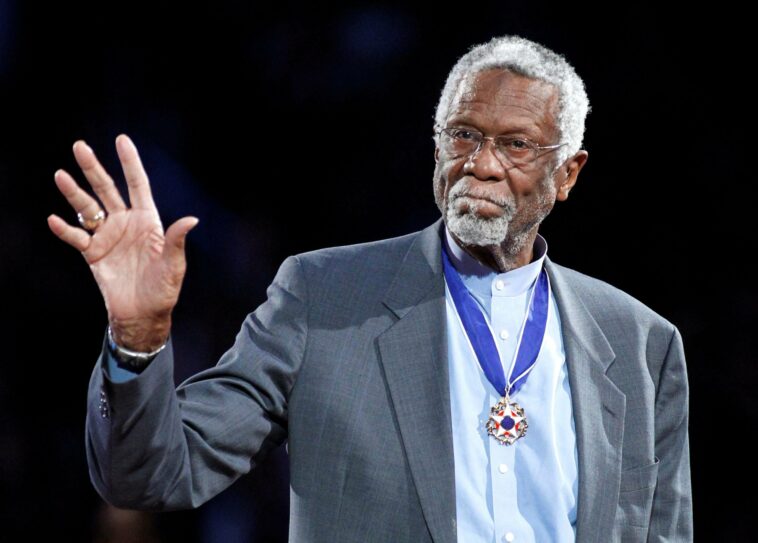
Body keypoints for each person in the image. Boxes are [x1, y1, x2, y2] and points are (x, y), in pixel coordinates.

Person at [48, 35, 692, 542]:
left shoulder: (641, 344)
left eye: (516, 145)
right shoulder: (324, 297)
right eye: (463, 134)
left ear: (566, 173)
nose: (481, 164)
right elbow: (152, 477)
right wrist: (137, 340)